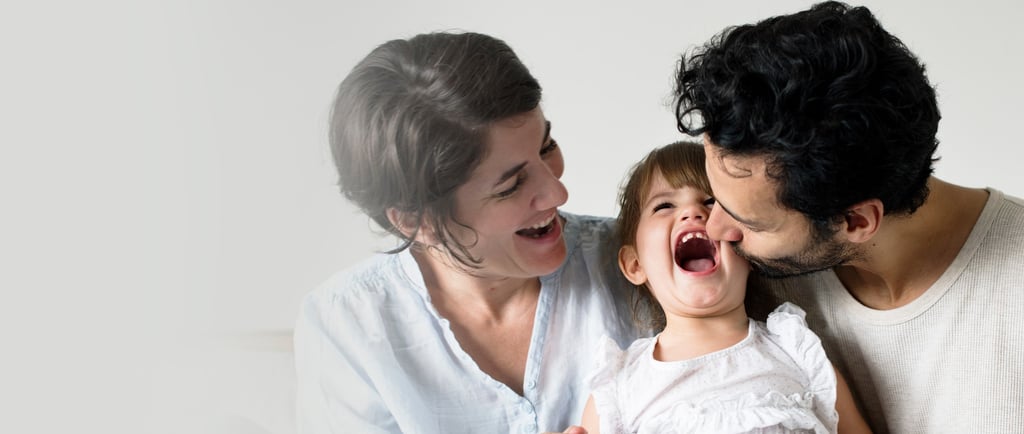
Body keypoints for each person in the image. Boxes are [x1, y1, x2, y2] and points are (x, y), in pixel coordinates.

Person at [673, 2, 1024, 433]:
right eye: (714, 198)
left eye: (750, 223)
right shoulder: (733, 283)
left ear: (857, 221)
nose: (714, 230)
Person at [293, 31, 644, 433]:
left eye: (546, 147)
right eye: (511, 186)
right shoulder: (346, 325)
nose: (557, 192)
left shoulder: (645, 265)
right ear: (415, 220)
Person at [576, 140, 869, 434]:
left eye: (711, 202)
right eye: (664, 205)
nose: (693, 213)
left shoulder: (797, 352)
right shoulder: (618, 387)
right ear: (635, 264)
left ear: (750, 250)